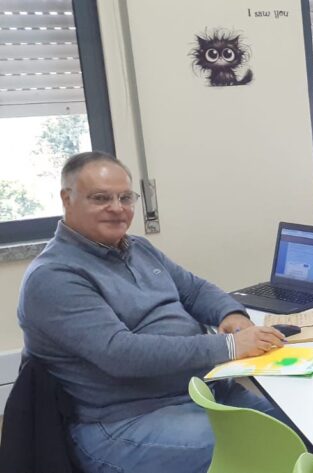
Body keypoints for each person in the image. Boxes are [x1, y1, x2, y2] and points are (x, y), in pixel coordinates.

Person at [17, 151, 289, 473]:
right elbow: (120, 354)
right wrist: (229, 346)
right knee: (269, 447)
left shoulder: (137, 248)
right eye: (101, 198)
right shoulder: (54, 277)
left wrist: (232, 315)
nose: (117, 208)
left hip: (202, 390)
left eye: (125, 197)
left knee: (300, 429)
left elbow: (194, 290)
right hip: (127, 419)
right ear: (67, 199)